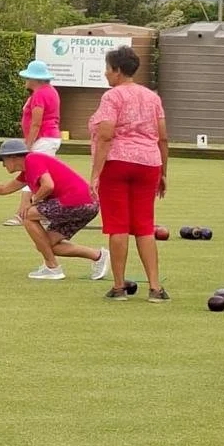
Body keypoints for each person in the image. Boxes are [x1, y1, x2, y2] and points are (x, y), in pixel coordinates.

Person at [0, 139, 109, 281]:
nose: (3, 164)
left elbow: (48, 185)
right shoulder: (27, 171)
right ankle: (98, 256)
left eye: (4, 160)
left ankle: (52, 268)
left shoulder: (32, 160)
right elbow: (4, 189)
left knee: (28, 215)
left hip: (77, 201)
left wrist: (31, 201)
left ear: (13, 157)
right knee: (47, 245)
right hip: (88, 204)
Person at [88, 45, 169, 301]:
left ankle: (119, 286)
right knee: (145, 226)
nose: (105, 74)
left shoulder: (112, 97)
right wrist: (163, 173)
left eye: (108, 68)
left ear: (118, 70)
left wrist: (96, 173)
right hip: (149, 164)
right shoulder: (153, 97)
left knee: (118, 225)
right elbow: (163, 137)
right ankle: (155, 288)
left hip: (118, 162)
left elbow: (106, 135)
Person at [3, 59, 62, 226]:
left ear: (35, 79)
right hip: (48, 138)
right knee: (40, 177)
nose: (26, 81)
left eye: (28, 77)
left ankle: (22, 214)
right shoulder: (49, 91)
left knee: (33, 176)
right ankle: (45, 212)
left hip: (43, 139)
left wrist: (27, 146)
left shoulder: (40, 94)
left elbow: (36, 122)